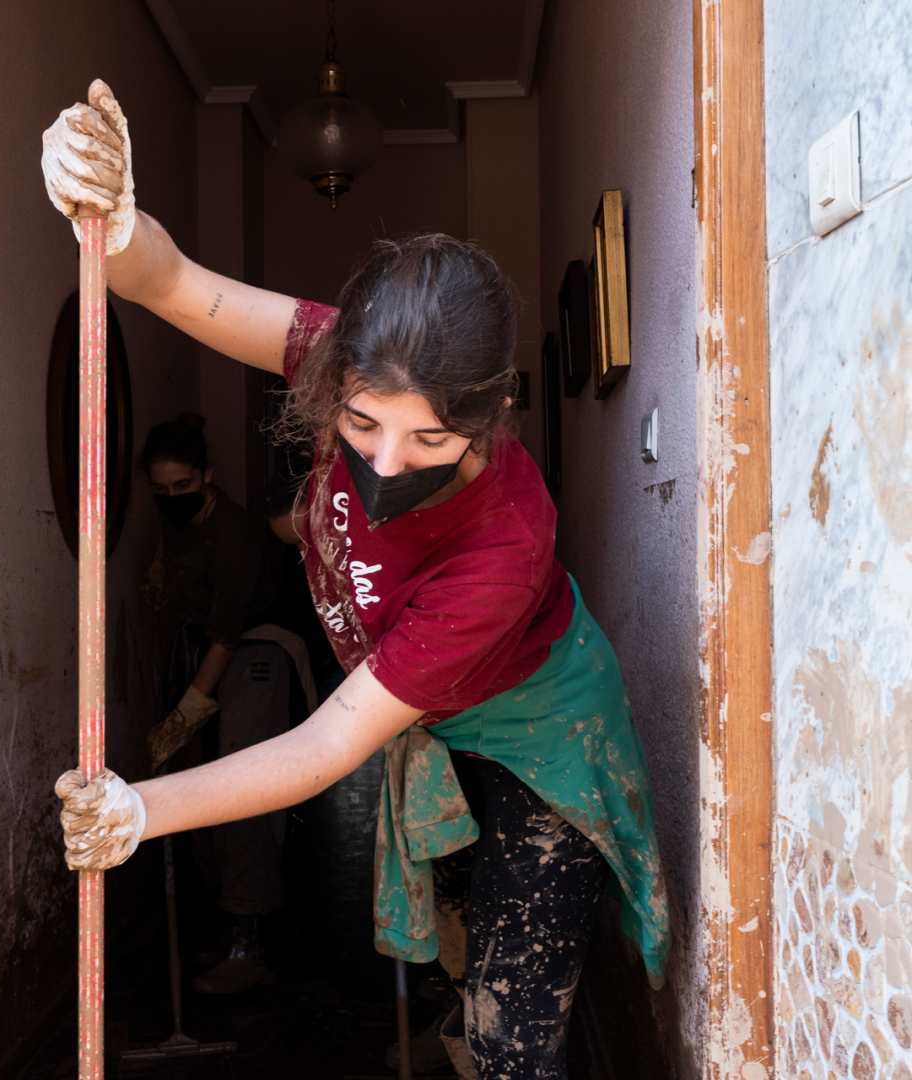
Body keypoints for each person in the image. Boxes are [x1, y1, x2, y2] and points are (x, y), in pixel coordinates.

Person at [46, 81, 669, 1080]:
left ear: (491, 416)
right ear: (338, 377)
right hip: (437, 719)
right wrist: (116, 219)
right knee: (458, 948)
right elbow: (171, 284)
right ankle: (456, 1030)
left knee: (517, 1042)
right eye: (364, 424)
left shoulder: (500, 546)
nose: (384, 463)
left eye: (431, 438)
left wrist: (142, 808)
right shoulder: (335, 351)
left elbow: (329, 740)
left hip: (542, 734)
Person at [139, 413, 316, 994]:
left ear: (207, 476)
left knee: (241, 791)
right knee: (196, 789)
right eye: (160, 491)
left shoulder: (237, 536)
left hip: (254, 657)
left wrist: (188, 711)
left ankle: (251, 943)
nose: (172, 500)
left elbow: (226, 633)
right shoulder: (179, 518)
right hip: (211, 657)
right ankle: (227, 921)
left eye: (183, 488)